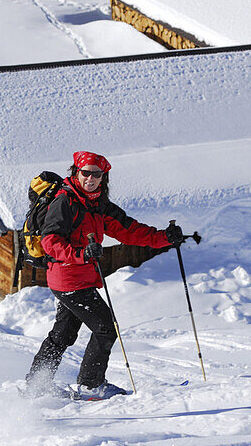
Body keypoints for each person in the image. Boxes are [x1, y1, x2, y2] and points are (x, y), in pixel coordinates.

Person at [25, 151, 182, 397]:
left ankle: (36, 385)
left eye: (96, 174)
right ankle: (90, 384)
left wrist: (164, 238)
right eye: (85, 173)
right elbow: (50, 241)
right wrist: (82, 254)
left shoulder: (97, 203)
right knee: (105, 328)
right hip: (69, 278)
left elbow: (128, 229)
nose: (90, 178)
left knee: (63, 334)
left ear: (103, 177)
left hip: (78, 278)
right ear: (76, 172)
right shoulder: (66, 201)